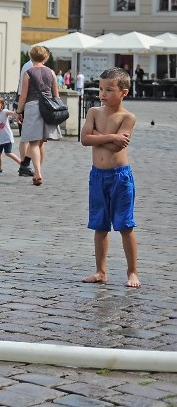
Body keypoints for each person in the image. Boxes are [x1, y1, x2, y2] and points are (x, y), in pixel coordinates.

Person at [80, 67, 139, 288]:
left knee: (125, 225)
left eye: (109, 90)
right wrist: (110, 136)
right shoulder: (94, 112)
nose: (103, 94)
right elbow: (84, 139)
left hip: (120, 177)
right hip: (97, 176)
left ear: (124, 92)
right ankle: (100, 271)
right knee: (100, 225)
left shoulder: (128, 117)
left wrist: (98, 135)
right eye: (101, 89)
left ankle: (132, 271)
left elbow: (118, 144)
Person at [15, 45, 61, 187]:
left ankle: (37, 173)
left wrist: (19, 112)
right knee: (41, 140)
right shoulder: (51, 73)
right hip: (48, 108)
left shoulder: (28, 73)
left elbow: (23, 97)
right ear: (45, 57)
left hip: (33, 106)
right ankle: (27, 164)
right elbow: (56, 95)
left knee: (34, 142)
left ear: (31, 57)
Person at [0, 96, 22, 173]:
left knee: (8, 153)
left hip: (7, 137)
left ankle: (22, 164)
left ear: (2, 105)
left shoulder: (5, 112)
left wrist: (17, 114)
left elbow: (13, 113)